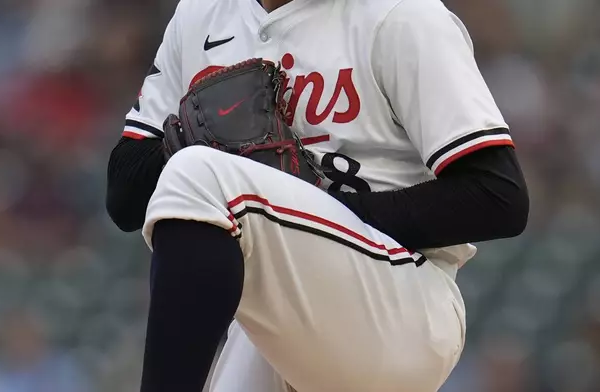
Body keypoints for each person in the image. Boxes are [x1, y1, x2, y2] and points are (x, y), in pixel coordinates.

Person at [105, 0, 529, 390]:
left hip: (401, 303)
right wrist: (208, 143)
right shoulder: (202, 14)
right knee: (197, 172)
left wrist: (315, 208)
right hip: (278, 309)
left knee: (199, 173)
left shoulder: (401, 15)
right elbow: (124, 197)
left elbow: (499, 197)